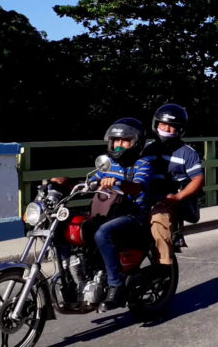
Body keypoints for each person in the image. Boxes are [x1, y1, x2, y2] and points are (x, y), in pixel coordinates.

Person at [90, 118, 154, 309]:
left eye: (124, 141)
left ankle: (116, 286)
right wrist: (63, 182)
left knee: (103, 233)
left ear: (135, 143)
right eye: (115, 141)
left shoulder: (143, 164)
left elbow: (137, 188)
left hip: (134, 215)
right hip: (112, 212)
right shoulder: (108, 164)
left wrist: (117, 183)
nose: (118, 145)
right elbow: (92, 181)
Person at [143, 104, 205, 271]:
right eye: (163, 125)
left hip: (168, 201)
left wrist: (178, 197)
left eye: (172, 126)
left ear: (180, 129)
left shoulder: (187, 152)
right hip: (143, 197)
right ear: (156, 125)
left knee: (158, 221)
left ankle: (163, 268)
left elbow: (198, 179)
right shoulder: (147, 148)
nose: (167, 129)